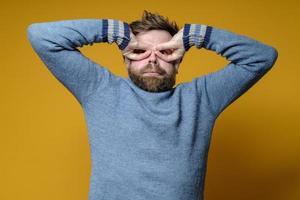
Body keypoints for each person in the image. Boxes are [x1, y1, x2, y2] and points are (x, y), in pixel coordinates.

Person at [27, 10, 278, 200]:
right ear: (126, 61)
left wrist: (194, 37)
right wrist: (116, 32)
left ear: (178, 63)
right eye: (141, 52)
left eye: (165, 53)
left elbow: (262, 57)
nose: (153, 60)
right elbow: (41, 37)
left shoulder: (202, 98)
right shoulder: (99, 88)